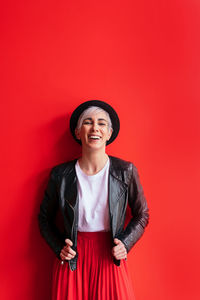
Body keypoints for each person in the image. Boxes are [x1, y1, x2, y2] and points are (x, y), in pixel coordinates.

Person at [38, 99, 149, 300]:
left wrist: (125, 243)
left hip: (110, 255)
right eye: (88, 122)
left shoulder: (126, 171)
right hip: (73, 259)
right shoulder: (60, 175)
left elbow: (142, 214)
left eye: (101, 123)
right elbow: (44, 219)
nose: (94, 128)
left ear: (109, 133)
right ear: (78, 132)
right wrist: (58, 247)